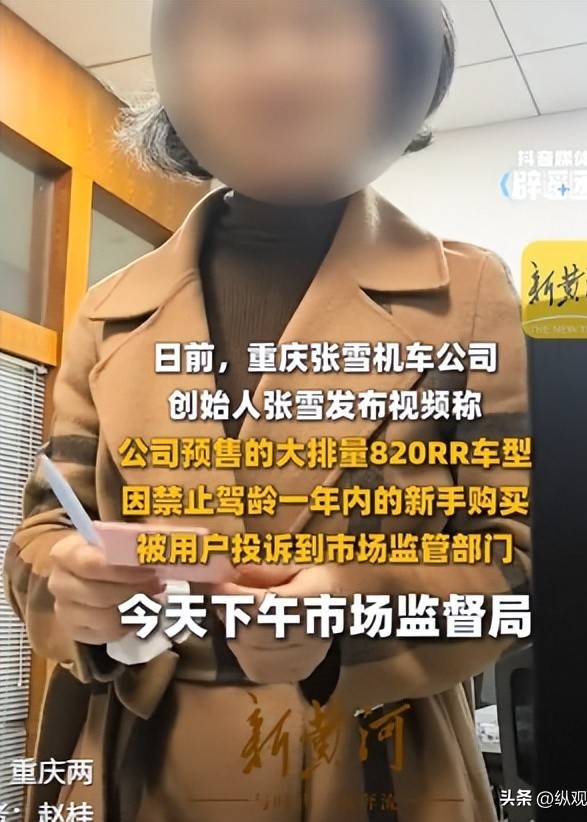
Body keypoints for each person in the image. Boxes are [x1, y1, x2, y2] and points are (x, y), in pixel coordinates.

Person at [3, 2, 532, 820]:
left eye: (323, 29)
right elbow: (42, 531)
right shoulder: (109, 309)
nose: (279, 69)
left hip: (374, 763)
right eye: (236, 31)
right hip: (143, 764)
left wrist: (345, 611)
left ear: (402, 67)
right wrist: (74, 589)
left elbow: (519, 560)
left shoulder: (469, 296)